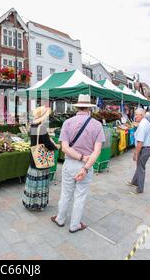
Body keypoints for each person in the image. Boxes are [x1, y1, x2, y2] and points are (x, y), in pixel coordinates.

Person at [51, 94, 105, 233]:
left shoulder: (67, 123)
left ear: (77, 107)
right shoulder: (97, 125)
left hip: (69, 163)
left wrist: (80, 157)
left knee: (65, 193)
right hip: (85, 165)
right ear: (89, 108)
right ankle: (74, 225)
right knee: (80, 196)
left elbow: (65, 148)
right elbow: (97, 151)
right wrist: (85, 166)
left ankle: (60, 219)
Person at [22, 106, 59, 210]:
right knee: (40, 183)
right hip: (41, 159)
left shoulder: (33, 126)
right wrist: (55, 147)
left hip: (34, 157)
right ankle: (38, 204)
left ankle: (29, 202)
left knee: (33, 183)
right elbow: (47, 144)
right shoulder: (41, 128)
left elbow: (38, 140)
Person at [126, 108, 150, 195]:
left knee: (141, 167)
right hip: (146, 148)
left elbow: (140, 142)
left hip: (145, 148)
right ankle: (134, 181)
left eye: (136, 115)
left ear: (141, 115)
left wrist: (136, 154)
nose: (135, 116)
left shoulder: (142, 125)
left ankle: (140, 188)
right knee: (139, 165)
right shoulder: (144, 122)